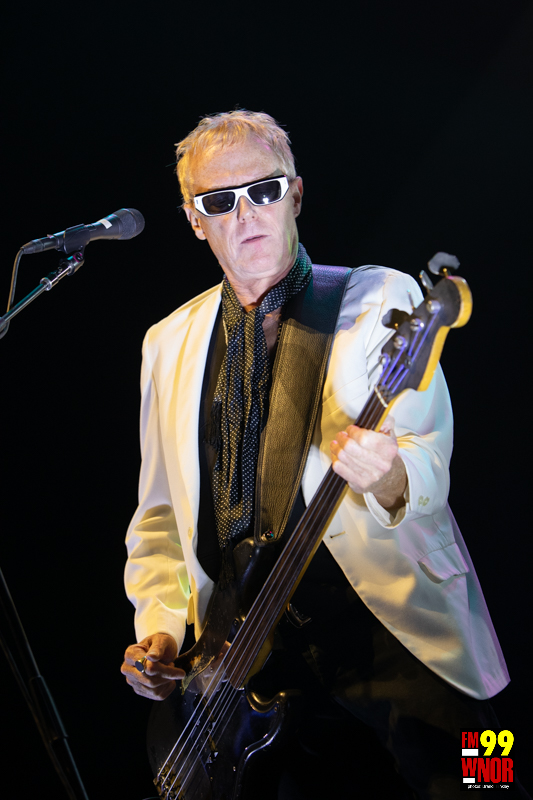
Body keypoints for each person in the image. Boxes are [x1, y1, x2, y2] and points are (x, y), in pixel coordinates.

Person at [121, 111, 518, 799]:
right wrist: (157, 628)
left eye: (263, 190)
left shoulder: (382, 296)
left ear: (296, 195)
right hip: (247, 657)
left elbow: (429, 457)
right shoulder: (167, 342)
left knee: (490, 782)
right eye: (219, 201)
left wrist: (389, 474)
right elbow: (159, 515)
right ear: (194, 220)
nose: (245, 213)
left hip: (394, 623)